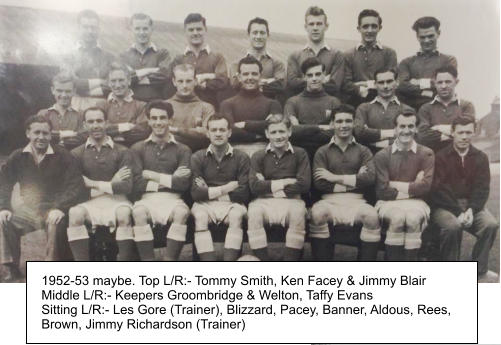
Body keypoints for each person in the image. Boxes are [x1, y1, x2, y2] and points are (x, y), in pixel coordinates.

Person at [0, 115, 84, 281]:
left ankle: (50, 268)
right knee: (4, 220)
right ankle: (10, 267)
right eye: (36, 132)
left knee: (55, 223)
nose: (41, 137)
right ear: (27, 134)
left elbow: (74, 186)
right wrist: (4, 207)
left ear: (51, 134)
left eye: (45, 133)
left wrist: (60, 207)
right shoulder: (18, 156)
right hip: (29, 209)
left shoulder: (63, 156)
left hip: (53, 208)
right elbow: (4, 183)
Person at [430, 116, 498, 282]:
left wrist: (471, 210)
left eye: (468, 132)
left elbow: (482, 189)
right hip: (445, 206)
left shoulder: (480, 157)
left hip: (471, 206)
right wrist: (458, 212)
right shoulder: (441, 156)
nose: (464, 136)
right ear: (452, 133)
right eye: (460, 132)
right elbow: (439, 190)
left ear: (474, 133)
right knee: (453, 226)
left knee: (490, 224)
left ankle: (479, 270)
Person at [310, 104, 379, 261]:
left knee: (372, 216)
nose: (344, 125)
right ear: (332, 124)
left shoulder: (364, 151)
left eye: (348, 121)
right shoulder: (322, 151)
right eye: (339, 121)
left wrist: (334, 178)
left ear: (354, 123)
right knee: (317, 214)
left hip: (357, 201)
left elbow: (369, 179)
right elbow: (319, 183)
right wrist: (354, 180)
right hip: (329, 201)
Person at [67, 107, 135, 261]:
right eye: (91, 121)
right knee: (74, 214)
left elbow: (126, 186)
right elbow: (76, 188)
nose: (95, 125)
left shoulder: (123, 151)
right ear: (84, 125)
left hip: (117, 200)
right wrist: (111, 183)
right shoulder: (76, 154)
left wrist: (92, 183)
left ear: (106, 123)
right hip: (89, 201)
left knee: (124, 214)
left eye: (99, 121)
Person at [131, 101, 191, 261]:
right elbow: (136, 183)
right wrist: (171, 181)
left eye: (163, 118)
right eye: (154, 118)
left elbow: (184, 184)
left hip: (173, 198)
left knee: (181, 212)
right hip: (147, 198)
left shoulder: (183, 149)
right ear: (149, 121)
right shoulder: (138, 148)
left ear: (170, 120)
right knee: (138, 213)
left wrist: (150, 175)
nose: (158, 122)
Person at [373, 109, 434, 261]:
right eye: (402, 126)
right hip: (388, 202)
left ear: (416, 128)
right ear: (395, 129)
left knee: (413, 219)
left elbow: (425, 187)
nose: (406, 131)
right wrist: (414, 186)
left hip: (417, 203)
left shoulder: (426, 153)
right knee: (398, 218)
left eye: (410, 126)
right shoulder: (382, 155)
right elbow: (382, 191)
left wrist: (393, 184)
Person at [248, 114, 311, 261]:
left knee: (298, 212)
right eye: (274, 132)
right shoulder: (258, 155)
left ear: (289, 132)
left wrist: (268, 186)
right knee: (254, 212)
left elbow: (304, 185)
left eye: (282, 131)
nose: (278, 136)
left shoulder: (300, 153)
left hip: (292, 200)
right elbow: (254, 187)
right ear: (267, 134)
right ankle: (263, 263)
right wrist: (287, 181)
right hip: (263, 201)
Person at [190, 114, 250, 261]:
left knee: (236, 216)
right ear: (207, 133)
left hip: (233, 204)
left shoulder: (241, 157)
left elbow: (243, 192)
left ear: (229, 132)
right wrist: (227, 188)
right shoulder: (198, 157)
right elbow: (196, 194)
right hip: (204, 204)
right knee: (200, 216)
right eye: (214, 130)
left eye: (222, 130)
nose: (218, 133)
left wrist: (209, 191)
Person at [168, 13, 229, 109]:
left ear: (205, 30)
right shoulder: (179, 59)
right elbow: (172, 83)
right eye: (191, 30)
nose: (195, 33)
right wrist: (210, 76)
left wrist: (205, 84)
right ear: (185, 32)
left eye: (199, 29)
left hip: (211, 108)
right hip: (184, 108)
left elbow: (222, 81)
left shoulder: (217, 57)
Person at [284, 57, 341, 157]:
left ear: (324, 75)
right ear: (304, 77)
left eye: (318, 74)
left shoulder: (334, 102)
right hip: (299, 154)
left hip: (328, 154)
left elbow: (336, 132)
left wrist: (303, 129)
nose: (314, 79)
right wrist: (321, 127)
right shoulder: (293, 102)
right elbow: (292, 131)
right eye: (310, 75)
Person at [397, 16, 457, 110]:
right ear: (417, 37)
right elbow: (402, 87)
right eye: (422, 37)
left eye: (430, 36)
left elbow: (446, 84)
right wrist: (428, 90)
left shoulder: (448, 60)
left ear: (438, 34)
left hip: (440, 109)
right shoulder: (406, 62)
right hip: (412, 112)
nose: (427, 41)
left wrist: (418, 82)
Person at [221, 56, 282, 145]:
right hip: (236, 152)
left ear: (260, 76)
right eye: (245, 74)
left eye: (254, 74)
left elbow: (277, 129)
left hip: (265, 151)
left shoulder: (272, 104)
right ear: (239, 77)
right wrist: (260, 131)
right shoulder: (227, 104)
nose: (250, 77)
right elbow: (228, 131)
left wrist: (246, 125)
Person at [286, 6, 344, 99]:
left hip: (327, 106)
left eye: (319, 24)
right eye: (311, 24)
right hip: (302, 105)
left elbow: (335, 86)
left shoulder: (337, 55)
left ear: (326, 26)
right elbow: (293, 84)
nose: (315, 28)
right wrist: (323, 80)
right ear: (306, 27)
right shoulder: (295, 56)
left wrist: (304, 79)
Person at [343, 9, 397, 107]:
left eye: (374, 26)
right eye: (365, 26)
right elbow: (346, 84)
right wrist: (373, 84)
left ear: (379, 28)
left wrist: (362, 84)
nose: (370, 30)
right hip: (356, 103)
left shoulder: (389, 53)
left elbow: (390, 82)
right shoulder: (348, 55)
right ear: (359, 28)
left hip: (383, 104)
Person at [62, 9, 114, 111]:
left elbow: (111, 86)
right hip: (75, 105)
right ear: (78, 28)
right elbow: (70, 84)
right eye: (85, 27)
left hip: (101, 105)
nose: (90, 31)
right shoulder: (68, 56)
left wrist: (84, 91)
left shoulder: (108, 56)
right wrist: (100, 81)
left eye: (93, 27)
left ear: (98, 29)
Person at [354, 68, 414, 152]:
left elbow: (410, 136)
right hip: (371, 157)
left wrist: (374, 142)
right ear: (375, 85)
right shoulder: (364, 108)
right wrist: (393, 133)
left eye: (389, 81)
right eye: (381, 82)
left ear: (396, 83)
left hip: (399, 156)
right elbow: (359, 133)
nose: (385, 86)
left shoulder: (407, 109)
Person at [417, 65, 475, 152]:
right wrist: (455, 132)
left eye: (448, 82)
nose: (443, 86)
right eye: (440, 82)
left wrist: (438, 128)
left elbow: (467, 132)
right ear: (434, 84)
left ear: (456, 82)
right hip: (434, 158)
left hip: (459, 157)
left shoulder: (466, 106)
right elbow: (423, 136)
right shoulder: (426, 108)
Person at [229, 17, 285, 100]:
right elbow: (235, 85)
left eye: (262, 33)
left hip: (268, 107)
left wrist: (249, 82)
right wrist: (268, 81)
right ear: (249, 35)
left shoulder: (277, 64)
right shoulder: (236, 64)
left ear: (268, 35)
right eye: (255, 33)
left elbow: (281, 85)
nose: (258, 36)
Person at [96, 62, 149, 146]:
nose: (117, 85)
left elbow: (141, 132)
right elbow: (97, 129)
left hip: (131, 148)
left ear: (129, 81)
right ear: (109, 83)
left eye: (121, 80)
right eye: (113, 81)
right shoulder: (101, 105)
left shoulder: (141, 105)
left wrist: (111, 129)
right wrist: (126, 126)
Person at [120, 13, 171, 102]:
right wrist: (150, 70)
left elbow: (164, 76)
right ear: (131, 29)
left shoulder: (162, 54)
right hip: (131, 104)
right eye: (137, 29)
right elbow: (123, 80)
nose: (141, 32)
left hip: (156, 104)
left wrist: (134, 76)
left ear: (151, 29)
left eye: (145, 28)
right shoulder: (124, 56)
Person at [167, 63, 215, 151]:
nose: (184, 86)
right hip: (170, 153)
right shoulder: (165, 106)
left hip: (198, 154)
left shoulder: (206, 107)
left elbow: (207, 133)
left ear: (195, 81)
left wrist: (176, 130)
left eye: (188, 81)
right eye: (180, 81)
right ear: (174, 82)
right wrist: (194, 132)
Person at [37, 72, 86, 150]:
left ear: (74, 91)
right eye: (59, 91)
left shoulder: (81, 114)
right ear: (53, 90)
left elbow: (82, 138)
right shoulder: (44, 114)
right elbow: (40, 136)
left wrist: (54, 135)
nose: (63, 95)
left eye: (68, 91)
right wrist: (67, 134)